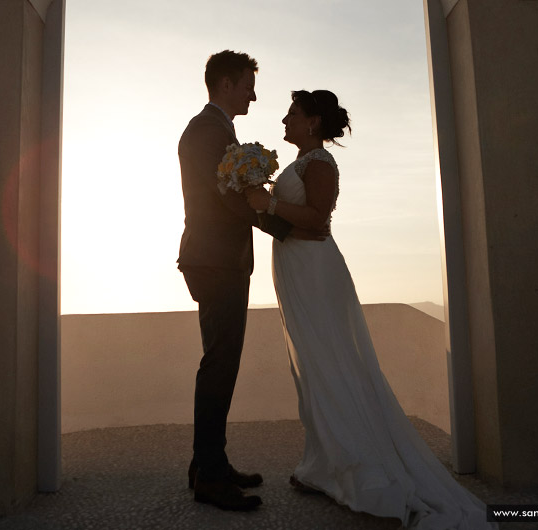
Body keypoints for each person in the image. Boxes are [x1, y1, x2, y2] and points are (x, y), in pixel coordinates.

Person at [244, 90, 495, 529]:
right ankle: (324, 464)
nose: (284, 119)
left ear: (314, 122)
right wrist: (252, 206)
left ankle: (358, 468)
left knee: (331, 364)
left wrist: (268, 203)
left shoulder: (320, 164)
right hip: (296, 271)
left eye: (293, 114)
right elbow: (286, 224)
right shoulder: (299, 163)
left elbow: (317, 220)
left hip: (317, 275)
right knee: (311, 369)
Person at [177, 51, 324, 512]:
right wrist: (284, 228)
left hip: (220, 260)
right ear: (224, 84)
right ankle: (210, 476)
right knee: (220, 363)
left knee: (219, 361)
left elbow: (233, 194)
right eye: (246, 86)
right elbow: (229, 200)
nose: (253, 95)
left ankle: (208, 464)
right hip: (216, 261)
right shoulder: (207, 131)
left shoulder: (219, 130)